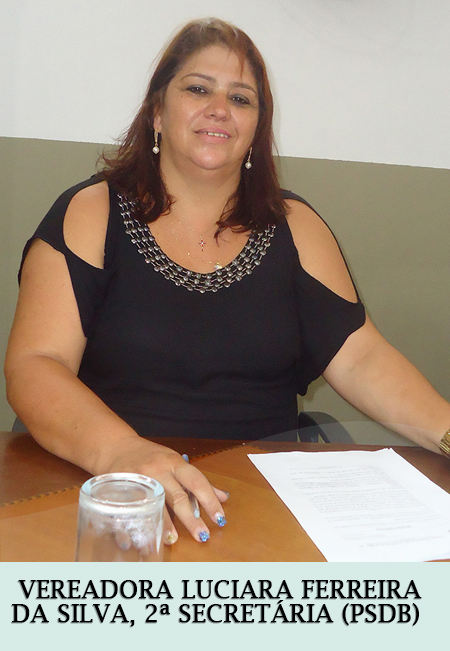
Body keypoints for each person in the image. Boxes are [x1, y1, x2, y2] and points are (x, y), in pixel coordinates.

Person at [4, 18, 450, 546]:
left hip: (262, 499)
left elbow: (360, 357)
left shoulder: (296, 226)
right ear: (156, 112)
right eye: (198, 89)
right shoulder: (90, 212)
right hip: (115, 490)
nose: (219, 108)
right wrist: (123, 453)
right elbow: (36, 364)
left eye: (240, 99)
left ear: (256, 130)